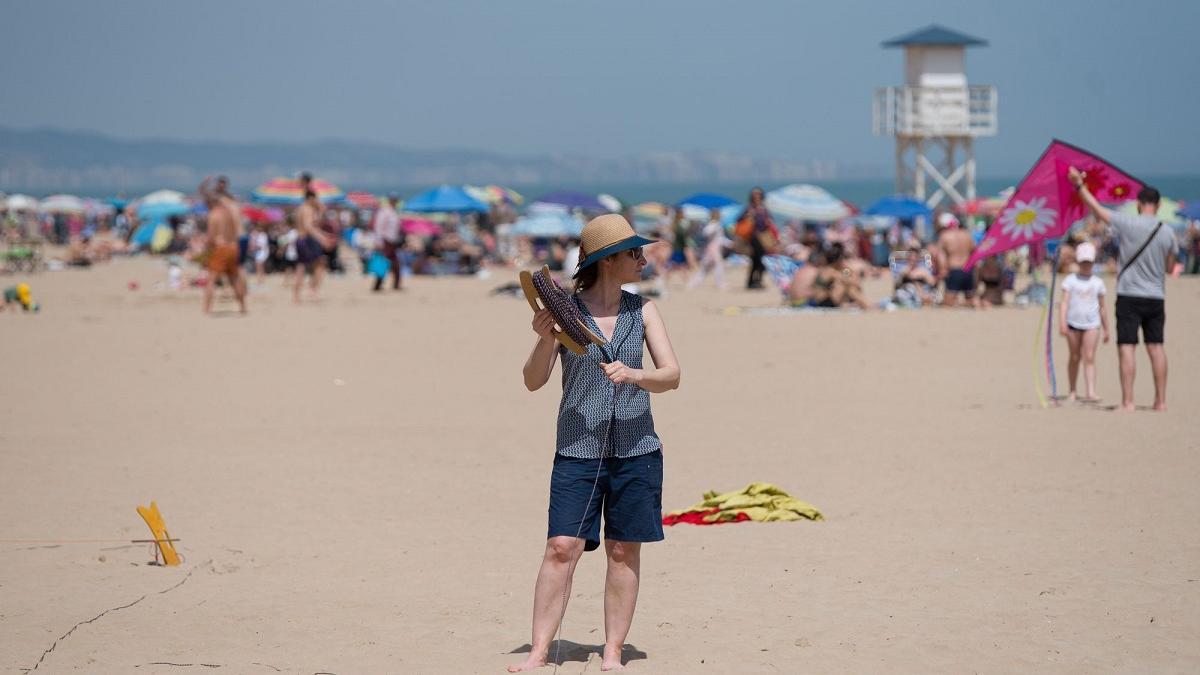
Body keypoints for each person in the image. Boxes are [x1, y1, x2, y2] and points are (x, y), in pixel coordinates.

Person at [512, 214, 680, 673]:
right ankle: (539, 652)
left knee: (623, 550)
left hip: (637, 450)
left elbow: (672, 375)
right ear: (609, 260)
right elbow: (532, 382)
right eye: (634, 253)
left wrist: (636, 374)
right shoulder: (566, 312)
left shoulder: (643, 310)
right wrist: (545, 341)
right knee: (561, 548)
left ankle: (612, 653)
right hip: (577, 451)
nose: (643, 260)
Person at [1069, 167, 1174, 411]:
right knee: (1156, 347)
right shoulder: (1167, 231)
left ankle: (1128, 401)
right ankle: (1160, 401)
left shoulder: (1128, 222)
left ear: (1138, 204)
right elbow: (1170, 267)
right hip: (1156, 295)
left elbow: (1097, 209)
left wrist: (1078, 184)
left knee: (1127, 346)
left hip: (1129, 294)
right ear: (1157, 206)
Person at [1059, 242, 1109, 401]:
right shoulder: (1070, 280)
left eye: (1089, 262)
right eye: (1083, 262)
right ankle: (1072, 390)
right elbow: (1064, 303)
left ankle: (1090, 391)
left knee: (1089, 357)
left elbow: (1103, 307)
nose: (1086, 265)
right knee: (1074, 357)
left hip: (1092, 324)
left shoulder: (1097, 282)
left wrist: (1107, 328)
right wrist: (1062, 322)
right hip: (1073, 323)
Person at [199, 177, 247, 314]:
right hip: (233, 247)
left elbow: (211, 237)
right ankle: (243, 306)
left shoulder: (214, 215)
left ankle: (206, 309)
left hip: (221, 248)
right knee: (234, 279)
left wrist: (205, 253)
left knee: (211, 280)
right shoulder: (230, 213)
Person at [293, 190, 334, 303]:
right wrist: (322, 239)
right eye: (316, 199)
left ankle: (298, 295)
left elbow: (313, 226)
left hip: (301, 239)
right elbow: (309, 227)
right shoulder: (308, 209)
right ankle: (312, 290)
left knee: (302, 266)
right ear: (311, 198)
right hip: (306, 240)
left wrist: (323, 235)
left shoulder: (301, 208)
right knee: (319, 264)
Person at [736, 187, 777, 289]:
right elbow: (739, 220)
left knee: (756, 260)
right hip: (753, 238)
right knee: (758, 260)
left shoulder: (764, 210)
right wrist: (748, 217)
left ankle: (753, 282)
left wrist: (767, 223)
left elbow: (768, 223)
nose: (756, 197)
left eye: (758, 195)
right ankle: (754, 281)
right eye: (755, 195)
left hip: (762, 237)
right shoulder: (749, 209)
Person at [934, 213, 978, 307]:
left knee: (948, 301)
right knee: (969, 296)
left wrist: (942, 270)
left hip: (954, 269)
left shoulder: (944, 236)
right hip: (968, 269)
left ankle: (959, 304)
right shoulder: (967, 234)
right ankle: (971, 302)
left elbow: (941, 256)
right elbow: (974, 252)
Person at [688, 208, 728, 290]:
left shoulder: (717, 224)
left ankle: (693, 283)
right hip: (712, 250)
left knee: (706, 269)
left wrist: (729, 243)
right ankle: (721, 284)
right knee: (717, 267)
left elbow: (721, 238)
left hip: (713, 249)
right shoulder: (713, 224)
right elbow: (706, 233)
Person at [371, 193, 403, 291]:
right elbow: (379, 227)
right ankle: (378, 285)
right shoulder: (384, 212)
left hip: (392, 242)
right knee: (384, 263)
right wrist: (378, 241)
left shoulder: (394, 212)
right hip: (385, 241)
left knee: (394, 263)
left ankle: (395, 284)